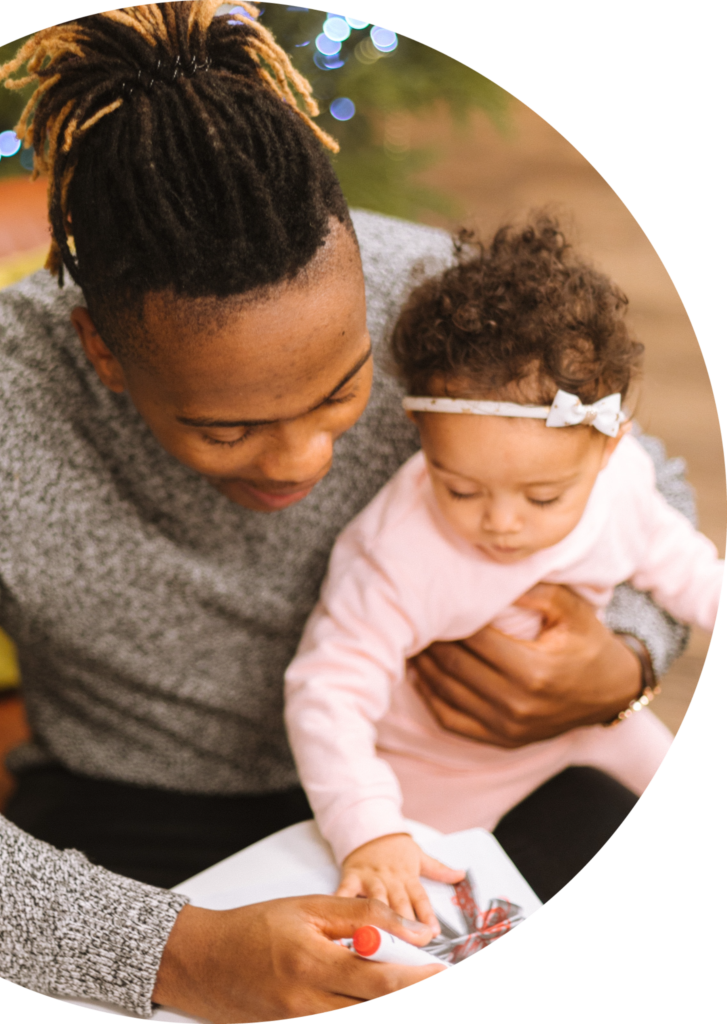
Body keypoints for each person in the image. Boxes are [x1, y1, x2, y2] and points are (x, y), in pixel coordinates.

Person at [0, 5, 693, 1020]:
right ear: (103, 353)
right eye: (226, 428)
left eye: (341, 391)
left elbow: (646, 485)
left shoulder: (442, 305)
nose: (303, 457)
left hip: (458, 775)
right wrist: (173, 955)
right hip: (148, 823)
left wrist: (625, 656)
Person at [284, 216, 723, 935]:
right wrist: (369, 828)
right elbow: (324, 692)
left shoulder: (623, 487)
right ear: (422, 440)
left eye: (544, 498)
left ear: (609, 448)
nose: (502, 523)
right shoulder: (393, 550)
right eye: (459, 488)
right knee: (438, 915)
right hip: (436, 772)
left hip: (584, 724)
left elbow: (689, 571)